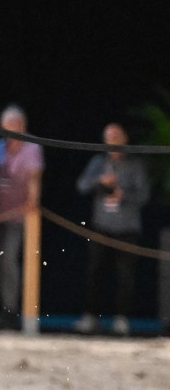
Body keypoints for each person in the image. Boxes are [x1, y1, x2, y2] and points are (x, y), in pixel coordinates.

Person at [73, 123, 149, 336]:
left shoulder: (135, 164)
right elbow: (81, 186)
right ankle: (90, 317)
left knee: (125, 276)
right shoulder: (99, 162)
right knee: (95, 272)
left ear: (124, 138)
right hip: (102, 226)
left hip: (127, 227)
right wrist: (100, 180)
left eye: (116, 136)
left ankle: (122, 319)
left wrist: (122, 194)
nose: (112, 141)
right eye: (108, 137)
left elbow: (143, 196)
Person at [0, 104, 43, 328]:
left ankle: (13, 310)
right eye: (7, 124)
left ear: (22, 125)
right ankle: (5, 308)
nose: (11, 127)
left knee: (10, 259)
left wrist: (33, 202)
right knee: (0, 262)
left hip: (19, 215)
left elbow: (35, 177)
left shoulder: (32, 147)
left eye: (15, 124)